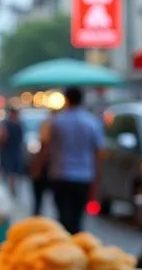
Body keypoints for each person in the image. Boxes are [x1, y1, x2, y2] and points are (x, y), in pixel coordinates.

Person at [42, 86, 103, 234]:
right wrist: (97, 180)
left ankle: (66, 247)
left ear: (67, 100)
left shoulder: (57, 122)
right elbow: (98, 152)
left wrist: (38, 168)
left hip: (60, 175)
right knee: (77, 218)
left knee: (63, 217)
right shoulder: (91, 122)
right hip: (83, 177)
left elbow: (46, 147)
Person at [0, 107, 26, 196]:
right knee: (13, 172)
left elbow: (3, 137)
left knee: (9, 171)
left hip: (9, 150)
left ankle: (9, 189)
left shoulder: (7, 124)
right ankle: (11, 189)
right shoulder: (19, 124)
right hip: (15, 150)